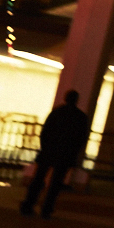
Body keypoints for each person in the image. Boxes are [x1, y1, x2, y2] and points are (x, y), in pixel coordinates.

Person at [20, 89, 91, 218]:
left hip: (49, 152)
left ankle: (28, 205)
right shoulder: (80, 117)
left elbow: (45, 132)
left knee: (38, 179)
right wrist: (73, 153)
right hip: (66, 155)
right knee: (56, 184)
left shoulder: (56, 113)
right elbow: (81, 138)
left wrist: (45, 147)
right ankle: (47, 209)